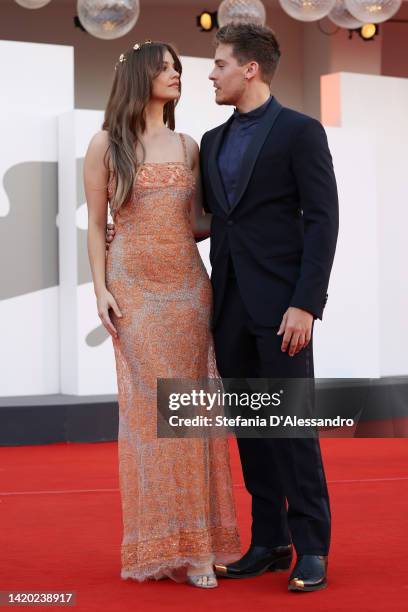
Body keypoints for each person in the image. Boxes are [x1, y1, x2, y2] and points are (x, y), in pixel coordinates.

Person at [107, 23, 339, 593]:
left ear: (249, 69)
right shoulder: (208, 141)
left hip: (284, 309)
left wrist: (306, 304)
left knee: (291, 427)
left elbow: (323, 221)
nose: (206, 75)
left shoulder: (301, 133)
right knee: (252, 430)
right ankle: (268, 541)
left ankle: (311, 547)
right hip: (226, 305)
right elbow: (213, 222)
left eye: (217, 65)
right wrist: (135, 231)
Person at [84, 40, 241, 589]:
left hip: (188, 291)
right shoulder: (105, 144)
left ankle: (197, 546)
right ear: (140, 77)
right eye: (166, 67)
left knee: (191, 416)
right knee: (155, 419)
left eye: (179, 67)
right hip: (135, 292)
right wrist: (100, 289)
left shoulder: (189, 145)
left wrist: (244, 219)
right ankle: (163, 540)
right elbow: (96, 228)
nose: (177, 74)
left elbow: (196, 223)